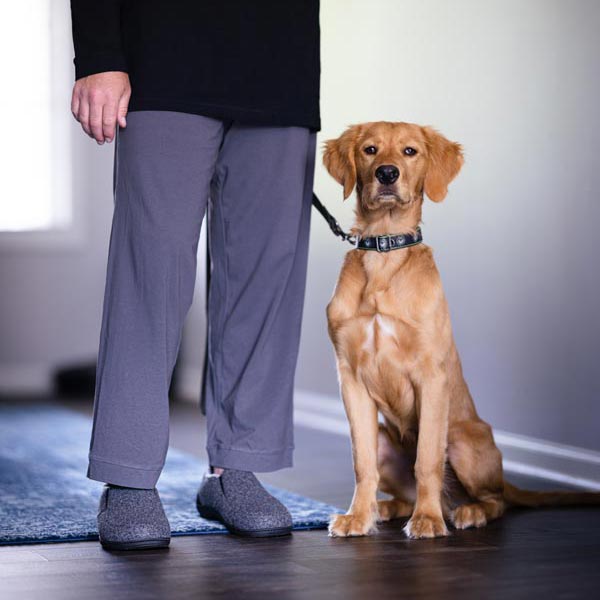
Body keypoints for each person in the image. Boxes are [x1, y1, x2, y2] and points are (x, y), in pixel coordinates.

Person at [69, 0, 320, 551]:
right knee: (150, 275)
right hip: (162, 61)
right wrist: (99, 56)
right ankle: (128, 475)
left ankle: (238, 470)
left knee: (265, 279)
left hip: (281, 68)